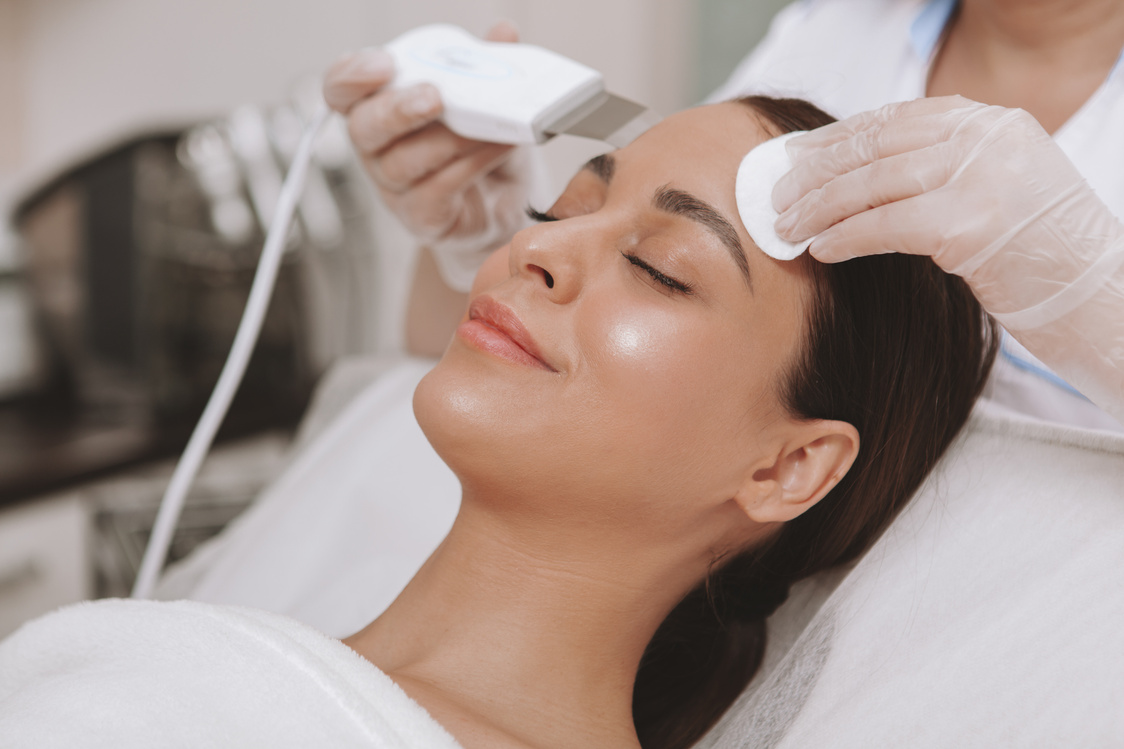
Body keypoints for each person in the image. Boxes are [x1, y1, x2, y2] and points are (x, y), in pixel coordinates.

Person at [0, 97, 998, 749]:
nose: (539, 252)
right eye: (560, 208)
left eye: (659, 267)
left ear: (786, 467)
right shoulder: (172, 654)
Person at [326, 0, 1124, 428]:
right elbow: (456, 355)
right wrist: (473, 245)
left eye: (657, 270)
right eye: (566, 208)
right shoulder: (831, 32)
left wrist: (1099, 303)